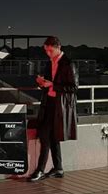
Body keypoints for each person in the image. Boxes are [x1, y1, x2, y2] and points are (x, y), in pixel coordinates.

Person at [29, 36, 78, 182]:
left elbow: (74, 87)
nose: (48, 53)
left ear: (58, 47)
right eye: (46, 51)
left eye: (50, 50)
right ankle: (58, 168)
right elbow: (49, 82)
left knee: (45, 137)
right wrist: (41, 82)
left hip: (59, 106)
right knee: (53, 136)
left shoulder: (68, 64)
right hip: (49, 103)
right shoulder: (50, 63)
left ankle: (40, 170)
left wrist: (51, 85)